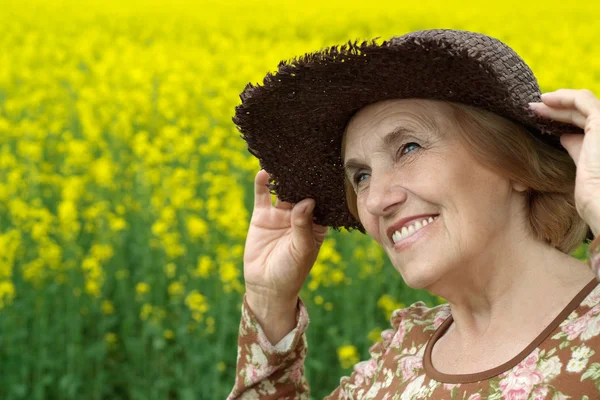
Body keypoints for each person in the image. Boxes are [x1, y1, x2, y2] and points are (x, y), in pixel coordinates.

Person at [227, 29, 600, 398]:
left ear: (513, 162)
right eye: (361, 176)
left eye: (408, 147)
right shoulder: (401, 356)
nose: (375, 201)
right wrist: (269, 302)